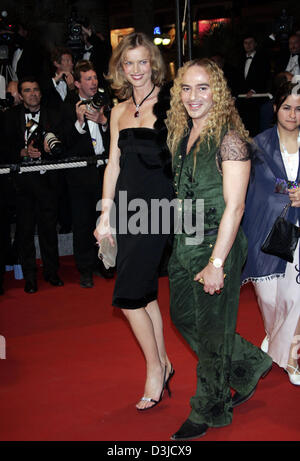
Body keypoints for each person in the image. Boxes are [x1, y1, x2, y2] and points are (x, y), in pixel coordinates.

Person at [165, 58, 273, 440]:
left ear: (219, 93)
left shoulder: (230, 139)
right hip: (185, 241)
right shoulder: (183, 134)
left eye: (203, 88)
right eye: (187, 88)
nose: (194, 97)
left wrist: (217, 263)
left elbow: (236, 206)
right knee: (182, 318)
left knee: (212, 335)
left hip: (216, 243)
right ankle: (249, 363)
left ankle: (209, 409)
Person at [94, 32, 174, 411]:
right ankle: (164, 362)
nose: (137, 69)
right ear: (120, 68)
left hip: (157, 209)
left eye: (144, 62)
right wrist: (105, 213)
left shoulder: (172, 102)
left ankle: (154, 369)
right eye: (130, 63)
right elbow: (113, 164)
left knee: (127, 298)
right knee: (143, 294)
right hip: (126, 207)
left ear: (153, 64)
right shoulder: (118, 109)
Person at [242, 81, 300, 386]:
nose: (292, 114)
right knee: (268, 297)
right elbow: (252, 187)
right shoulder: (257, 145)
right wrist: (288, 191)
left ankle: (291, 358)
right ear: (275, 108)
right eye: (287, 107)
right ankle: (274, 335)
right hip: (265, 227)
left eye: (299, 108)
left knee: (296, 297)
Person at [2, 77, 63, 293]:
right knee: (25, 232)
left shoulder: (54, 116)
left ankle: (51, 272)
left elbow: (63, 144)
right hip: (22, 184)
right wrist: (21, 152)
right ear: (21, 94)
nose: (33, 94)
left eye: (36, 90)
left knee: (49, 230)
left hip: (47, 181)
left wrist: (49, 149)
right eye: (27, 90)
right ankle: (30, 277)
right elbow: (3, 148)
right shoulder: (9, 118)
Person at [63, 60, 112, 287]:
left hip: (104, 170)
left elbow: (117, 138)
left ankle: (106, 264)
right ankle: (85, 269)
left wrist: (103, 122)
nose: (93, 83)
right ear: (77, 83)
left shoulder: (105, 102)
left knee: (106, 218)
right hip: (80, 172)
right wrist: (80, 122)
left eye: (95, 78)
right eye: (88, 79)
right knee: (82, 222)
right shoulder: (67, 105)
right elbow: (63, 144)